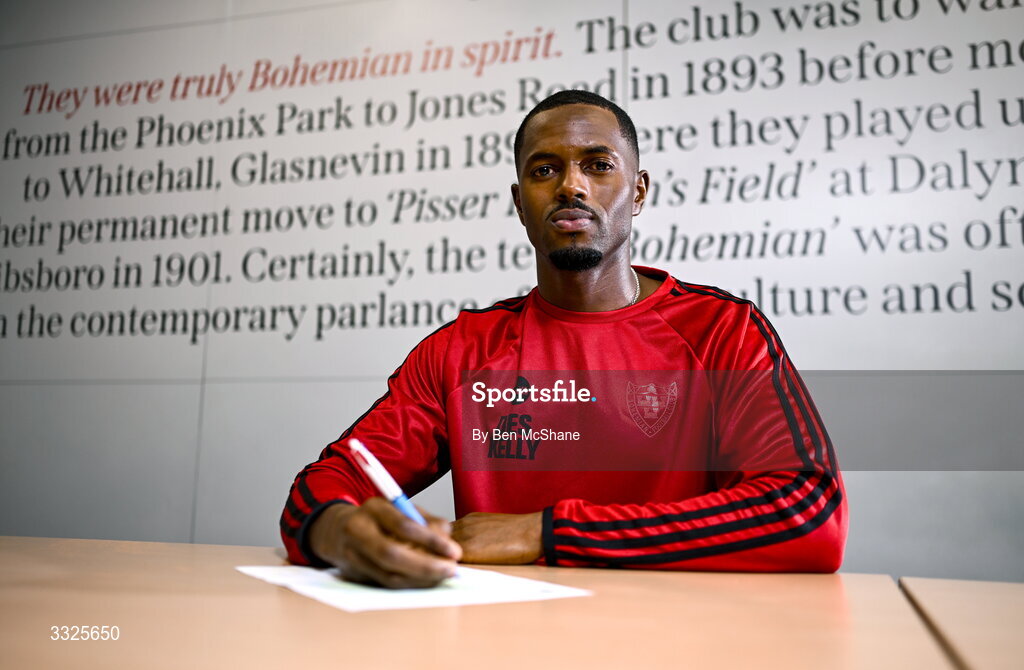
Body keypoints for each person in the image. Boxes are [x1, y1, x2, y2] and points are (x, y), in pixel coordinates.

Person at [280, 90, 847, 588]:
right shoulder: (459, 351)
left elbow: (808, 513)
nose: (572, 185)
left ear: (640, 191)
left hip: (677, 643)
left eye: (598, 165)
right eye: (544, 170)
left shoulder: (723, 331)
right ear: (519, 203)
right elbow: (330, 481)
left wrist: (548, 533)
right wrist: (337, 531)